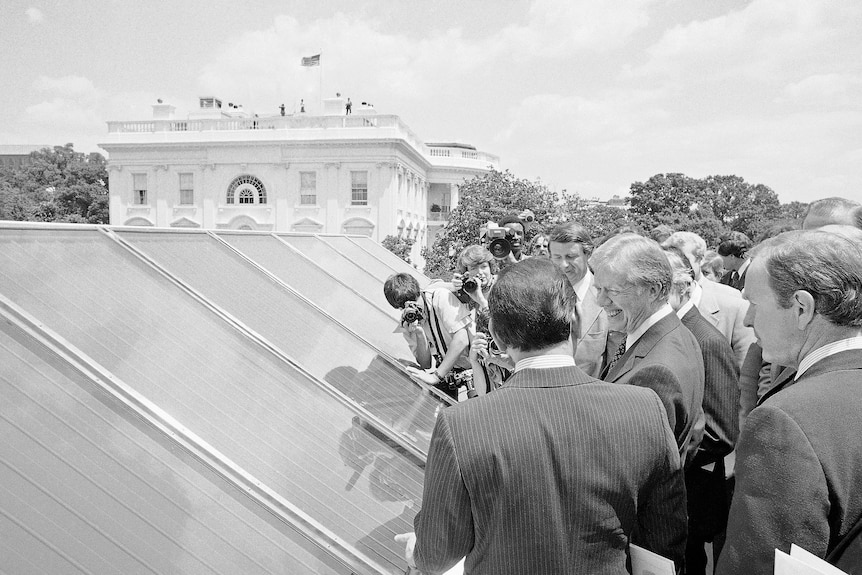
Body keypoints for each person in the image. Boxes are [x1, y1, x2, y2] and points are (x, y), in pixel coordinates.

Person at [397, 258, 687, 574]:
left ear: (495, 333)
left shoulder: (461, 424)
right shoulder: (643, 407)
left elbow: (436, 555)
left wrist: (418, 548)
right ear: (576, 318)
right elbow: (665, 538)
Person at [717, 230, 862, 575]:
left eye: (753, 303)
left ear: (802, 307)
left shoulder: (785, 420)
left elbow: (756, 565)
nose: (748, 319)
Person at [592, 233, 705, 463]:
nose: (601, 301)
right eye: (598, 289)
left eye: (612, 291)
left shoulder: (655, 372)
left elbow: (633, 467)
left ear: (653, 290)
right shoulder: (677, 334)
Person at [665, 248, 740, 574]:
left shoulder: (706, 340)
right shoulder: (669, 331)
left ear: (684, 285)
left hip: (690, 492)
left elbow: (721, 432)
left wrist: (663, 461)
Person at [662, 231, 756, 370]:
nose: (672, 263)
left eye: (682, 258)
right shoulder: (658, 304)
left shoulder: (734, 303)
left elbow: (746, 373)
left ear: (700, 259)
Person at [383, 273, 472, 400]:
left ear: (419, 292)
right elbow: (425, 364)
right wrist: (419, 332)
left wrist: (436, 376)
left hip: (475, 362)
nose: (413, 308)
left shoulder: (440, 297)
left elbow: (462, 340)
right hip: (449, 372)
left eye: (414, 302)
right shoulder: (407, 322)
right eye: (405, 307)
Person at [548, 221, 609, 379]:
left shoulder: (609, 298)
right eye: (557, 257)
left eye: (571, 257)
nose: (563, 265)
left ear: (588, 254)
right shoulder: (541, 294)